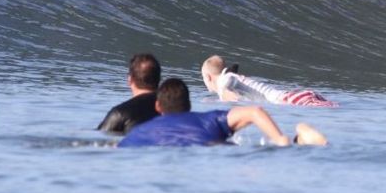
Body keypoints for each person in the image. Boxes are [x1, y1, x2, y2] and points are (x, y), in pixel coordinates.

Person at [119, 77, 328, 148]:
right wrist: (280, 139)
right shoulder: (208, 119)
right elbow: (255, 111)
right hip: (214, 146)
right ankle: (296, 141)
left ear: (157, 108)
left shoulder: (139, 133)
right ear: (188, 104)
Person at [201, 55, 338, 107]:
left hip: (291, 99)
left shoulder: (227, 79)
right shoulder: (231, 77)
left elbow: (228, 82)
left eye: (203, 78)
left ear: (208, 77)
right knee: (335, 108)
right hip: (298, 96)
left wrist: (224, 96)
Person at [97, 53, 161, 135]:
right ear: (159, 79)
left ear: (130, 79)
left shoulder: (120, 113)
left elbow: (98, 139)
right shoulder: (174, 108)